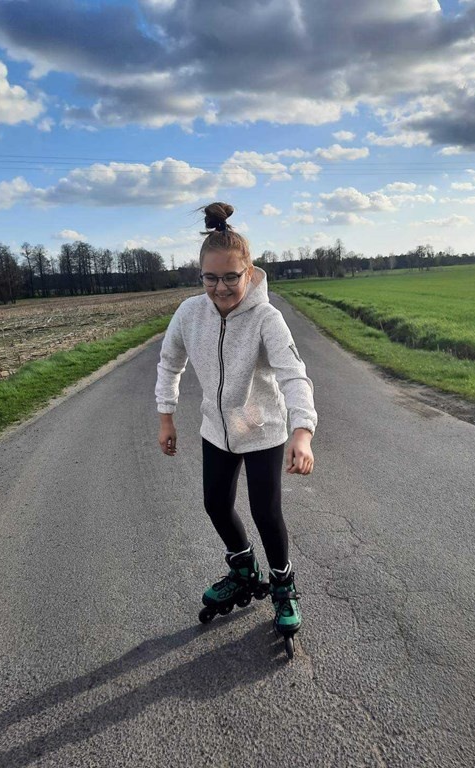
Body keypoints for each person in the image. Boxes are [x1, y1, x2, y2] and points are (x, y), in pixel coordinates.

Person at [155, 201, 317, 646]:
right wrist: (166, 417)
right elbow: (169, 363)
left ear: (249, 272)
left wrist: (302, 431)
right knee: (215, 504)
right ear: (200, 276)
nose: (221, 287)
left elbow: (293, 374)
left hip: (262, 428)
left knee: (266, 512)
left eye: (231, 277)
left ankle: (282, 584)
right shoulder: (190, 314)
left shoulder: (266, 318)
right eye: (211, 278)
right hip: (217, 430)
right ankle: (244, 567)